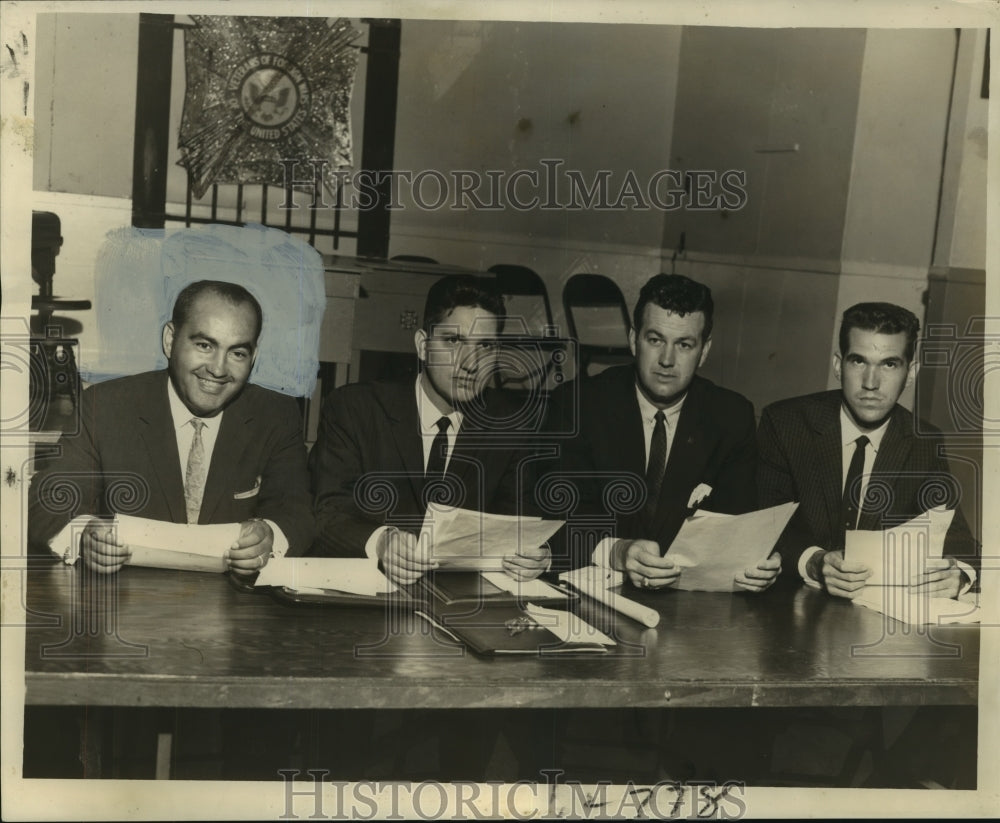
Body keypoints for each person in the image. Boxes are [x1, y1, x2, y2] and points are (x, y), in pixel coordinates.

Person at [29, 280, 315, 578]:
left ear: (253, 358)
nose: (218, 369)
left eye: (237, 353)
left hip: (235, 607)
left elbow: (297, 513)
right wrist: (83, 536)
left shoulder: (275, 415)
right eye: (204, 345)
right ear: (170, 340)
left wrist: (269, 536)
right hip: (124, 602)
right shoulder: (106, 406)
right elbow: (47, 502)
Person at [309, 273, 549, 585]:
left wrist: (534, 556)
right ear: (423, 346)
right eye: (453, 341)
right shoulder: (356, 409)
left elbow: (519, 523)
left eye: (486, 345)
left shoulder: (511, 425)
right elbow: (326, 512)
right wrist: (381, 542)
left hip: (459, 602)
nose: (471, 363)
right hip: (363, 597)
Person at [546, 273, 779, 592]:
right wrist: (618, 552)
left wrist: (755, 562)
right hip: (592, 590)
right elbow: (554, 520)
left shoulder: (731, 416)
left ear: (704, 351)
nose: (667, 360)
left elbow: (735, 527)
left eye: (684, 344)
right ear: (632, 340)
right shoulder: (578, 405)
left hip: (689, 604)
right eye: (655, 340)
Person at [757, 301, 978, 597]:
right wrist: (813, 562)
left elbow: (960, 543)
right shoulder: (786, 424)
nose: (871, 383)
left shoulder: (923, 442)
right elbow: (761, 524)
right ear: (838, 366)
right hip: (786, 610)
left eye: (889, 364)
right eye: (858, 361)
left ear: (910, 373)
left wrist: (959, 575)